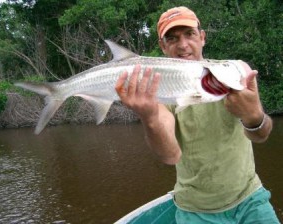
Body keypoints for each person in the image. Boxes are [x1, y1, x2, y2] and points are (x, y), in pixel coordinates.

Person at [115, 6, 280, 224]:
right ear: (163, 46)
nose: (183, 45)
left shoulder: (235, 73)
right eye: (172, 38)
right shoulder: (161, 90)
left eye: (189, 34)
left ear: (202, 37)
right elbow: (170, 156)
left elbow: (261, 135)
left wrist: (253, 116)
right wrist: (150, 116)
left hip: (251, 200)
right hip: (195, 210)